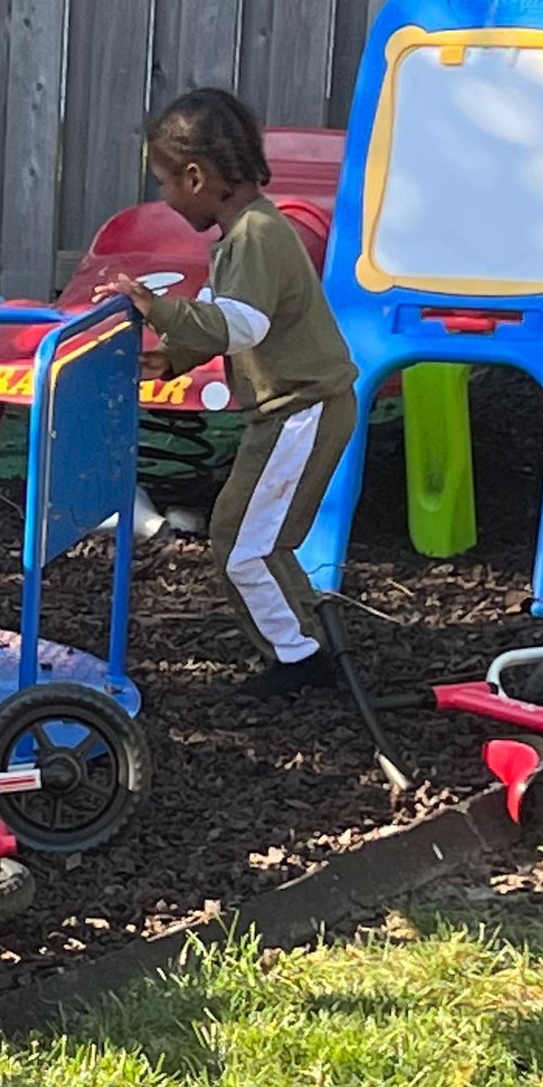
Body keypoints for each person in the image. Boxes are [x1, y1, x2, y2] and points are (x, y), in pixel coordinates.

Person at [102, 88, 357, 699]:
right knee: (258, 538)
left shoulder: (255, 237)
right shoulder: (249, 230)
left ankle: (300, 661)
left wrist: (155, 307)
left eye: (163, 182)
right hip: (298, 408)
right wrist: (174, 356)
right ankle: (306, 636)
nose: (162, 196)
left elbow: (245, 325)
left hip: (303, 408)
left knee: (240, 544)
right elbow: (226, 314)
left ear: (196, 176)